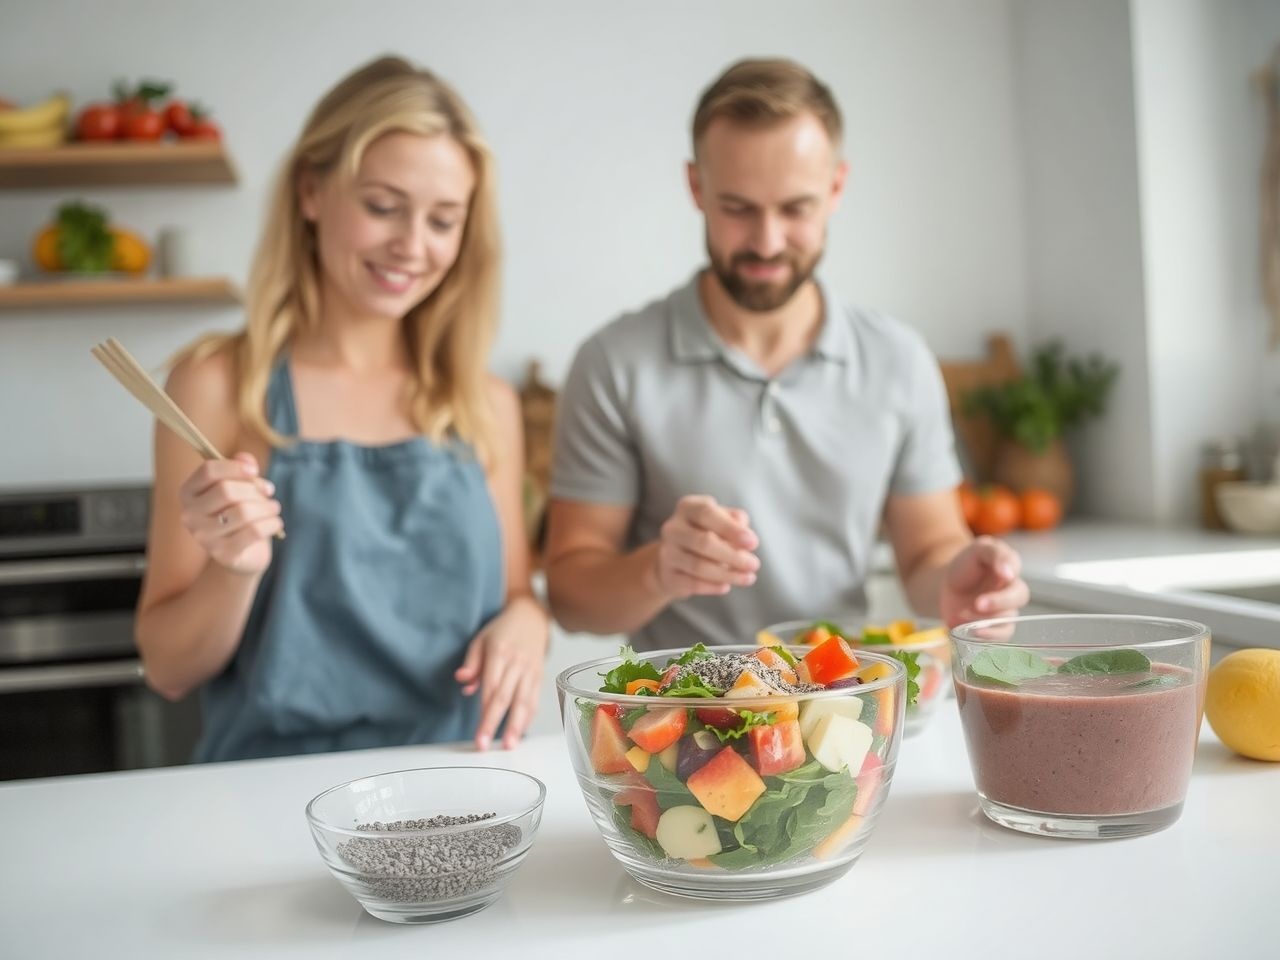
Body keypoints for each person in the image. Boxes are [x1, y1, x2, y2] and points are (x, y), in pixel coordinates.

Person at [135, 56, 548, 760]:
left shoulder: (484, 403)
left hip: (460, 790)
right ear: (311, 192)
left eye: (444, 220)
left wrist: (527, 623)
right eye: (383, 206)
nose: (412, 247)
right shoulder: (216, 386)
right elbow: (169, 669)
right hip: (271, 797)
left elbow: (518, 592)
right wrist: (235, 568)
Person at [545, 58, 1028, 651]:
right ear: (696, 187)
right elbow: (570, 594)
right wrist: (657, 569)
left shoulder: (897, 360)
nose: (767, 241)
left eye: (795, 209)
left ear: (836, 188)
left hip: (845, 712)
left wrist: (958, 582)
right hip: (683, 720)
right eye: (738, 208)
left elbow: (929, 552)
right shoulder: (613, 363)